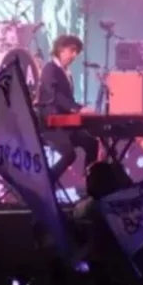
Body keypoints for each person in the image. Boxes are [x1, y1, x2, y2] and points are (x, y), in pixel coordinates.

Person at [37, 35, 99, 184]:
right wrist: (77, 109)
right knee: (69, 154)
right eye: (72, 50)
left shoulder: (66, 72)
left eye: (76, 52)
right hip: (51, 125)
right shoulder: (50, 69)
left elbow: (67, 100)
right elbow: (55, 97)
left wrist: (81, 108)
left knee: (92, 143)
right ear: (61, 49)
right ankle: (47, 181)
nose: (74, 55)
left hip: (66, 124)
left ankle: (90, 183)